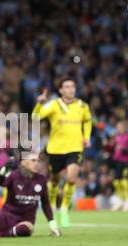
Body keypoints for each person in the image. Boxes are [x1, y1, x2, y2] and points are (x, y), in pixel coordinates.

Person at [31, 78, 92, 228]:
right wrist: (39, 102)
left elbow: (88, 121)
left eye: (72, 86)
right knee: (54, 180)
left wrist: (87, 137)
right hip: (55, 149)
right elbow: (34, 117)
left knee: (71, 179)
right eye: (67, 87)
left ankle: (64, 209)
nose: (70, 89)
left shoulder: (82, 106)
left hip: (75, 148)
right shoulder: (54, 105)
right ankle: (51, 206)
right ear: (61, 90)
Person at [110, 121, 128, 211]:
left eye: (119, 127)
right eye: (117, 127)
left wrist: (123, 149)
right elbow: (112, 149)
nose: (118, 129)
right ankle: (120, 200)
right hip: (117, 162)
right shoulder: (116, 137)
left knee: (124, 181)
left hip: (126, 162)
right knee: (116, 181)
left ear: (124, 128)